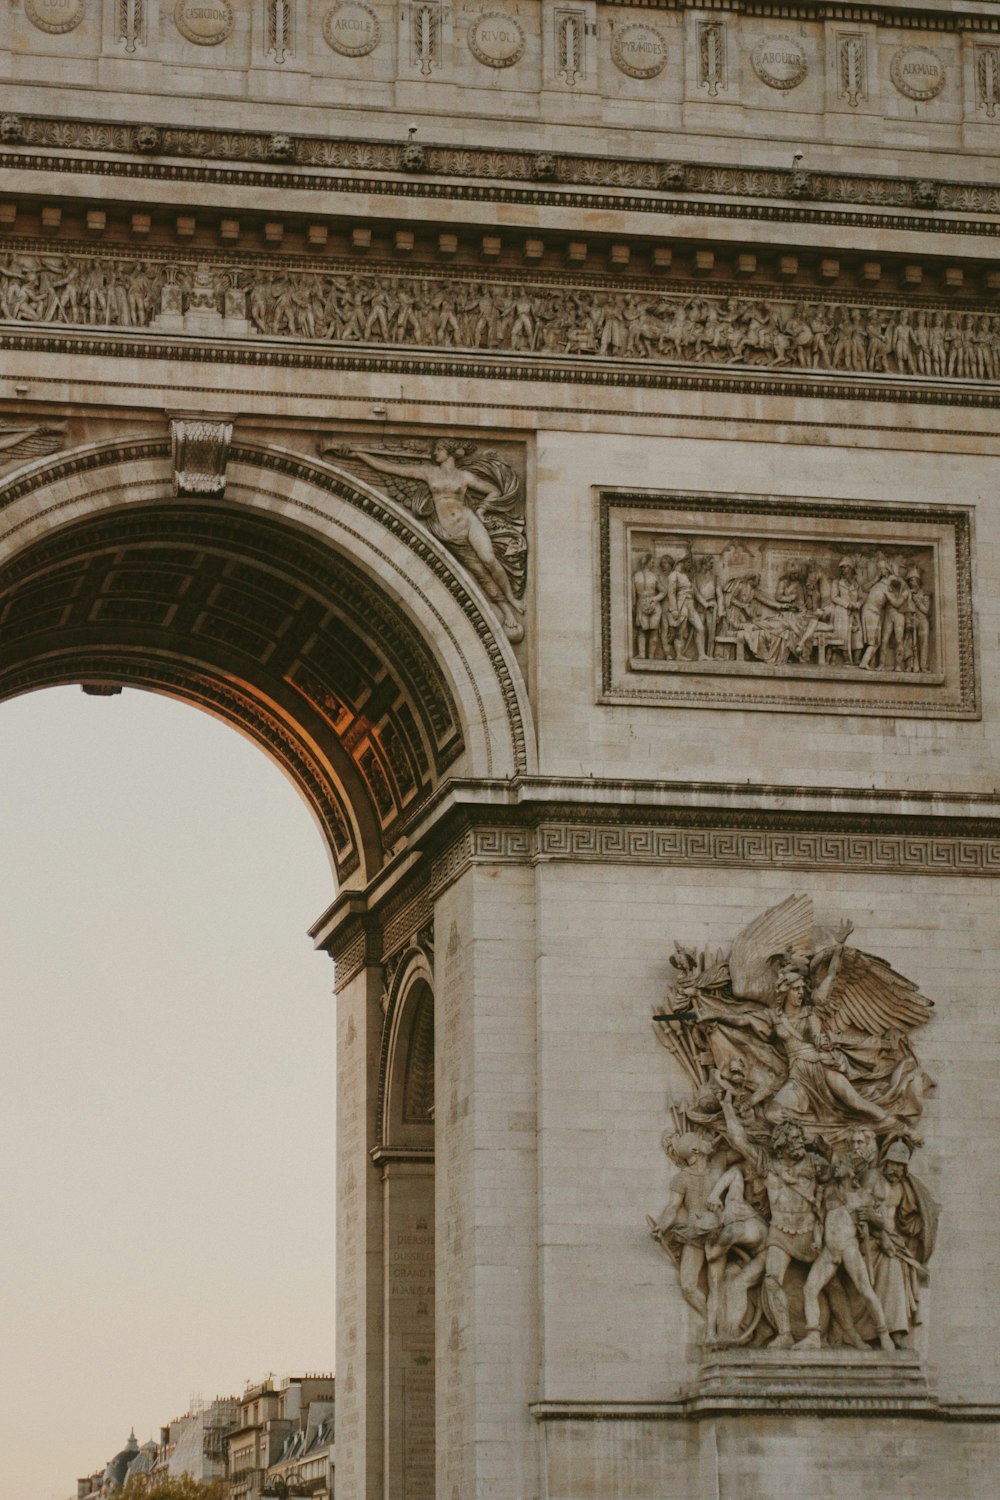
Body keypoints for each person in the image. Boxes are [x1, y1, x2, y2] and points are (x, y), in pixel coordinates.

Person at [344, 440, 526, 638]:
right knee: (479, 571)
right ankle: (506, 611)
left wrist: (482, 509)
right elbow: (390, 468)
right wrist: (360, 455)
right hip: (449, 531)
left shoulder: (464, 476)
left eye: (438, 450)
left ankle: (512, 598)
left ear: (448, 452)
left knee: (490, 559)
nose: (434, 453)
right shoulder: (428, 473)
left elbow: (493, 490)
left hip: (470, 520)